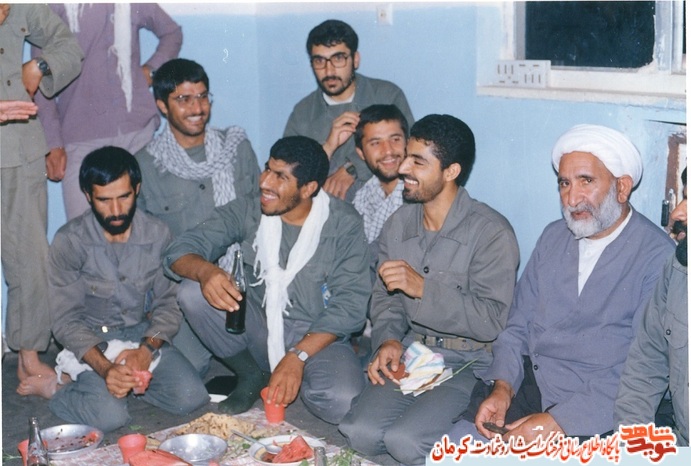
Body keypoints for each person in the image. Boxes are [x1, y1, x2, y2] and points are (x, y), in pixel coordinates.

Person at [448, 124, 675, 444]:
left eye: (586, 181)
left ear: (622, 187)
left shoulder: (658, 256)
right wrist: (503, 387)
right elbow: (516, 327)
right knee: (459, 448)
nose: (572, 198)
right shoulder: (553, 237)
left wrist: (559, 421)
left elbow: (645, 368)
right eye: (564, 183)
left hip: (604, 404)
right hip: (535, 384)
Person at [339, 114, 520, 465]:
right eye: (407, 156)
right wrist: (389, 339)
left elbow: (492, 320)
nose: (402, 167)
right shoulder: (399, 223)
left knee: (405, 442)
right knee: (359, 432)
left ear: (451, 171)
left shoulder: (491, 233)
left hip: (470, 361)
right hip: (416, 353)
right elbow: (386, 298)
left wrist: (424, 289)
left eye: (417, 161)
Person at [163, 136, 371, 423]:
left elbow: (350, 306)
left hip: (317, 336)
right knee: (193, 292)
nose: (264, 182)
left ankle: (293, 376)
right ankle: (252, 373)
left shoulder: (344, 223)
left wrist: (297, 357)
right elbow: (179, 250)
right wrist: (205, 271)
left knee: (341, 401)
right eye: (267, 169)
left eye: (280, 177)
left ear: (308, 188)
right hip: (261, 327)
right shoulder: (250, 208)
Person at [42, 147, 208, 432]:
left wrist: (145, 351)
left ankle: (117, 388)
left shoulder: (158, 233)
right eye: (104, 200)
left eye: (124, 197)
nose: (117, 211)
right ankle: (58, 389)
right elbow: (65, 321)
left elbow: (168, 304)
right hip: (92, 341)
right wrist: (106, 369)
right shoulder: (69, 241)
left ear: (137, 189)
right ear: (88, 196)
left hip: (140, 333)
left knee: (191, 397)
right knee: (111, 419)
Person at [136, 58, 261, 375]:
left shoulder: (236, 148)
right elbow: (145, 248)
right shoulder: (146, 165)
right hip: (184, 288)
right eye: (183, 99)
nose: (197, 108)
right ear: (162, 105)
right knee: (191, 369)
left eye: (203, 96)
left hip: (246, 279)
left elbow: (261, 217)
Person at [32, 3, 182, 220]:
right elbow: (38, 78)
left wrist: (151, 71)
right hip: (80, 135)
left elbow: (171, 32)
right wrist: (53, 143)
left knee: (145, 227)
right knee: (83, 231)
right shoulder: (53, 6)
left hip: (136, 131)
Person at [1, 3, 82, 395]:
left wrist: (40, 65)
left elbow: (69, 47)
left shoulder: (21, 7)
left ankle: (29, 356)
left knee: (30, 256)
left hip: (19, 150)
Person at [284, 19, 414, 201]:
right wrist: (328, 146)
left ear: (355, 59)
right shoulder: (303, 113)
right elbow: (287, 173)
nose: (329, 71)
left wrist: (352, 168)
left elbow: (411, 148)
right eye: (319, 61)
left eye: (338, 58)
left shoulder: (387, 95)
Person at [614, 167, 688, 446]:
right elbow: (647, 361)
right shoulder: (678, 269)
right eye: (684, 197)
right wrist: (634, 444)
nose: (678, 213)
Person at [352, 104, 408, 246]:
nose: (388, 151)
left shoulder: (421, 197)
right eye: (376, 143)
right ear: (361, 153)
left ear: (407, 142)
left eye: (395, 139)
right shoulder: (359, 195)